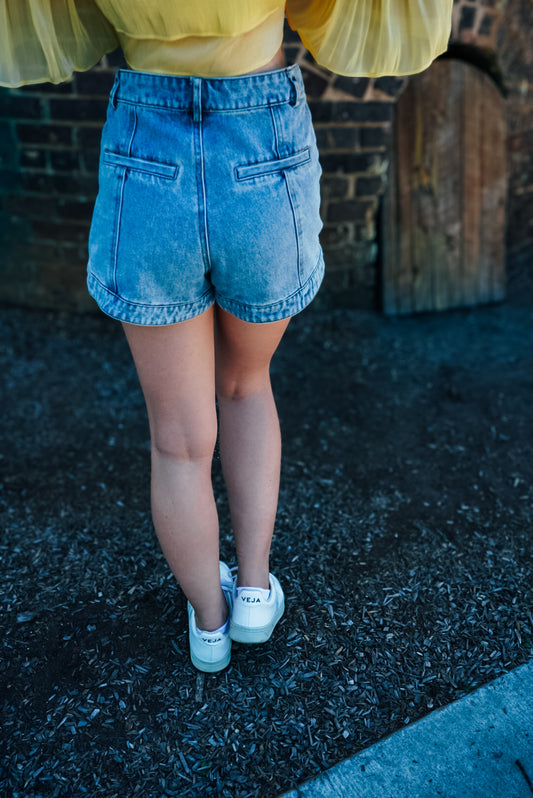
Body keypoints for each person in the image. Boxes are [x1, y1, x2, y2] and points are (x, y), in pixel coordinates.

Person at [0, 0, 453, 673]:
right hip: (260, 136)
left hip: (145, 142)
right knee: (244, 386)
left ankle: (207, 629)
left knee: (178, 440)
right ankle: (250, 593)